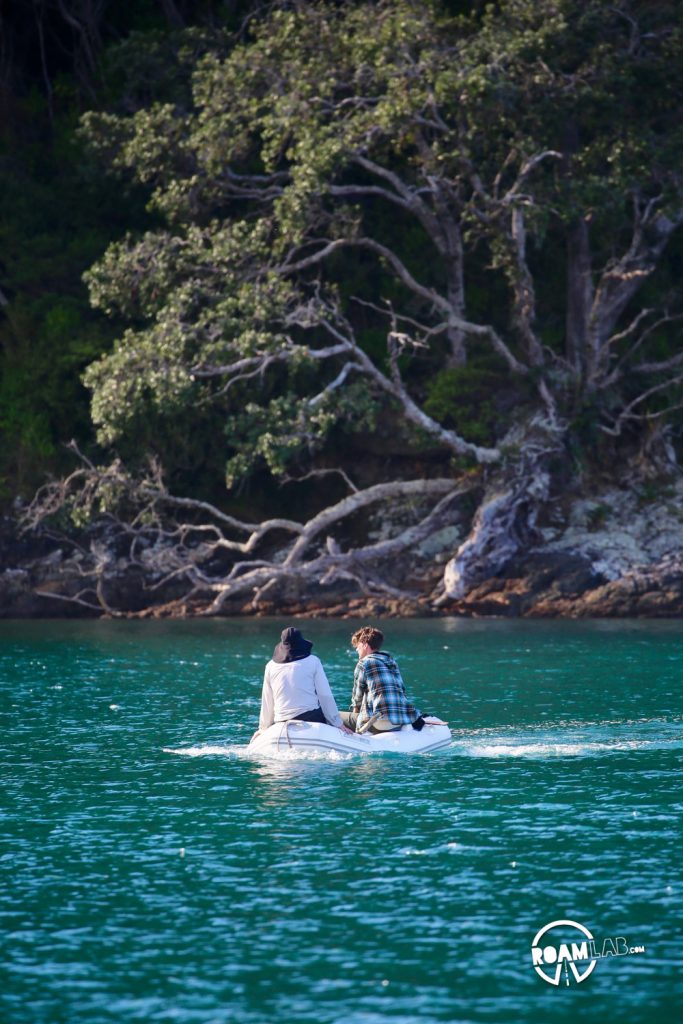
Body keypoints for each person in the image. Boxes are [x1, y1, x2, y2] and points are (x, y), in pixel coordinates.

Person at [257, 626, 351, 734]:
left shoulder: (270, 666)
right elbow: (324, 695)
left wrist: (263, 729)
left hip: (281, 721)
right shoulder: (313, 661)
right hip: (311, 718)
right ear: (301, 644)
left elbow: (267, 700)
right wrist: (338, 724)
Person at [341, 625, 425, 734]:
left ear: (365, 645)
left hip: (376, 723)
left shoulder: (363, 663)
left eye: (358, 646)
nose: (356, 649)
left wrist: (357, 719)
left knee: (332, 716)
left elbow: (357, 699)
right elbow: (402, 691)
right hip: (399, 721)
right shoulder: (391, 662)